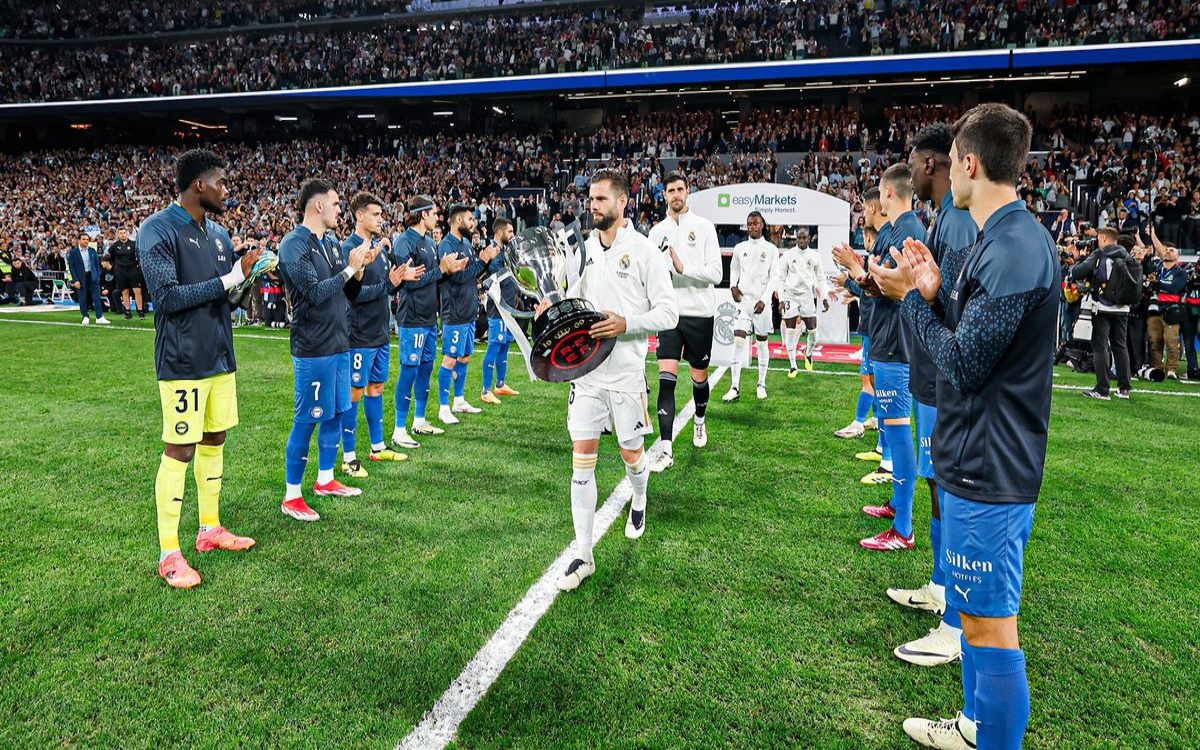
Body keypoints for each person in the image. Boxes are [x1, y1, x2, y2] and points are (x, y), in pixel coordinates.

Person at [873, 102, 1059, 750]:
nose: (945, 170)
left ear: (970, 163)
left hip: (990, 466)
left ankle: (990, 736)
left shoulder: (1011, 247)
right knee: (982, 617)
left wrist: (910, 305)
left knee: (987, 627)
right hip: (983, 458)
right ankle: (977, 725)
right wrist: (932, 289)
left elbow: (963, 362)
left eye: (950, 159)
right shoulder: (1002, 238)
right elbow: (971, 330)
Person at [137, 148, 262, 589]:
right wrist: (230, 279)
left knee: (214, 438)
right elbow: (167, 298)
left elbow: (225, 299)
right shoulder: (156, 230)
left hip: (219, 356)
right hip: (183, 360)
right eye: (221, 183)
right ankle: (169, 553)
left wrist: (247, 278)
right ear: (198, 186)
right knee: (181, 448)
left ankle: (209, 529)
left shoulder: (220, 236)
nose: (227, 190)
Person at [554, 168, 678, 592]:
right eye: (591, 199)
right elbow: (566, 295)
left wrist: (627, 323)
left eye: (602, 199)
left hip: (626, 373)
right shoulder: (581, 250)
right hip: (585, 373)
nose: (593, 205)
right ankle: (584, 554)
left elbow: (669, 313)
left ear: (623, 203)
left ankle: (639, 497)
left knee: (631, 456)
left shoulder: (644, 251)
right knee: (581, 461)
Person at [888, 122, 979, 668]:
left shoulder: (960, 223)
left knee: (949, 490)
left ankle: (955, 625)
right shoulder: (944, 217)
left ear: (929, 166)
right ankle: (942, 588)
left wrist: (910, 292)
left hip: (947, 377)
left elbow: (961, 311)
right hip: (932, 373)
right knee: (937, 487)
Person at [277, 178, 375, 523]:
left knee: (335, 413)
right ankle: (292, 496)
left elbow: (346, 294)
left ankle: (325, 479)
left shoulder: (332, 244)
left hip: (339, 344)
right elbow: (315, 292)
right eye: (335, 205)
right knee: (307, 420)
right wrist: (350, 268)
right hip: (313, 348)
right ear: (318, 206)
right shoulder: (293, 245)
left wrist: (358, 270)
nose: (339, 211)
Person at [854, 163, 925, 551]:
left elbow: (900, 290)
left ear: (886, 192)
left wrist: (858, 273)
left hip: (898, 345)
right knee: (894, 429)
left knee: (899, 434)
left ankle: (904, 528)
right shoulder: (900, 229)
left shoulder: (907, 230)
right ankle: (897, 505)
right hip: (888, 341)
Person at [340, 192, 421, 478]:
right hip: (358, 335)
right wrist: (389, 285)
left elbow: (385, 290)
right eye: (375, 214)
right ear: (359, 216)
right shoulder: (348, 249)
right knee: (354, 392)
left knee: (376, 389)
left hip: (380, 332)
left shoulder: (380, 250)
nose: (380, 219)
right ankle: (348, 457)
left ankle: (377, 447)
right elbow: (354, 295)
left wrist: (398, 283)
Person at [646, 171, 722, 472]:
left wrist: (683, 267)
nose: (675, 194)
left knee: (699, 378)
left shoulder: (704, 227)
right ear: (664, 195)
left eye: (680, 189)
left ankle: (699, 421)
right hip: (668, 314)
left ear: (688, 192)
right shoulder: (656, 233)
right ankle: (666, 449)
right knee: (666, 380)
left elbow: (716, 274)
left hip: (699, 314)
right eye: (670, 190)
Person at [391, 196, 468, 449]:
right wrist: (441, 271)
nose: (438, 217)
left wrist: (450, 271)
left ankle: (419, 420)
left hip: (428, 317)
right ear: (422, 215)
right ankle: (399, 429)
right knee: (409, 371)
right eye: (434, 213)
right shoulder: (404, 242)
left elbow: (433, 279)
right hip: (411, 317)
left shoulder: (428, 242)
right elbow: (409, 281)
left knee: (425, 370)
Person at [436, 204, 499, 426]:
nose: (472, 224)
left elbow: (472, 273)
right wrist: (482, 260)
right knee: (450, 358)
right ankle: (443, 407)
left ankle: (459, 400)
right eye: (469, 219)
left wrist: (485, 260)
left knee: (465, 356)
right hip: (454, 311)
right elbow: (457, 277)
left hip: (469, 309)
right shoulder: (446, 245)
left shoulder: (464, 243)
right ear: (456, 221)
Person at [833, 189, 883, 442]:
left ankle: (859, 422)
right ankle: (876, 418)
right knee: (876, 377)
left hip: (873, 329)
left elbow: (872, 291)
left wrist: (847, 282)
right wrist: (854, 293)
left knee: (868, 377)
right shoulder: (878, 256)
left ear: (866, 237)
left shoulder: (874, 257)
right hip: (876, 327)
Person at [1070, 227, 1135, 400]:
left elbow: (1077, 272)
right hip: (1123, 308)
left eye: (1099, 238)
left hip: (1102, 306)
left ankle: (1102, 389)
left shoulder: (1100, 254)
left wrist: (1083, 256)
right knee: (1120, 346)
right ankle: (1124, 388)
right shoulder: (1127, 255)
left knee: (1100, 348)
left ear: (1104, 239)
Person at [724, 211, 777, 402]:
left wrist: (764, 299)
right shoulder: (740, 247)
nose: (752, 226)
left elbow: (774, 278)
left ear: (762, 225)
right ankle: (734, 387)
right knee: (738, 340)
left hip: (762, 303)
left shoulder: (771, 249)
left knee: (762, 343)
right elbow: (734, 268)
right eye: (749, 223)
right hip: (744, 302)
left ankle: (761, 384)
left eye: (756, 223)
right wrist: (733, 286)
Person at [773, 227, 829, 376]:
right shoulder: (788, 255)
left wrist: (824, 297)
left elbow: (821, 278)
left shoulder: (815, 256)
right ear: (796, 238)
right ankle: (792, 365)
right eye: (799, 238)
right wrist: (782, 300)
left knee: (813, 331)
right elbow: (780, 278)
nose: (802, 240)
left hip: (807, 296)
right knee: (790, 330)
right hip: (790, 295)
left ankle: (808, 353)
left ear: (809, 238)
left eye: (804, 238)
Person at [480, 216, 521, 404]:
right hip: (497, 307)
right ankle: (485, 390)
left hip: (508, 305)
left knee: (504, 345)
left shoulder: (506, 250)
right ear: (500, 232)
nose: (512, 235)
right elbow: (498, 273)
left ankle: (500, 385)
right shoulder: (492, 251)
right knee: (494, 346)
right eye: (510, 232)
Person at [1145, 227, 1187, 380]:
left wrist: (1158, 285)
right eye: (1166, 250)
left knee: (1170, 340)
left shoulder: (1180, 272)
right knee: (1154, 340)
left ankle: (1171, 369)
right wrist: (1151, 284)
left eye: (1172, 250)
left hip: (1171, 310)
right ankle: (1157, 367)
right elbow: (1151, 286)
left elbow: (1175, 287)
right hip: (1155, 309)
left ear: (1178, 256)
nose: (1168, 251)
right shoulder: (1156, 269)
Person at [68, 232, 109, 325]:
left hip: (92, 276)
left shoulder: (92, 251)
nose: (86, 241)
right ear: (79, 240)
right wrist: (75, 280)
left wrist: (97, 275)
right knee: (83, 297)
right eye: (84, 239)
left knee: (96, 297)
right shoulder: (74, 253)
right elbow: (72, 267)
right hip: (81, 277)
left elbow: (96, 265)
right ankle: (85, 316)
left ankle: (99, 317)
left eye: (87, 239)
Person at [109, 226, 145, 319]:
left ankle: (140, 312)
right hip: (121, 272)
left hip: (133, 270)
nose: (122, 234)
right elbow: (112, 258)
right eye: (120, 233)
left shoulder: (133, 244)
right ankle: (127, 312)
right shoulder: (114, 246)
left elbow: (138, 256)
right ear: (118, 234)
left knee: (137, 290)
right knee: (125, 291)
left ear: (127, 233)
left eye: (124, 233)